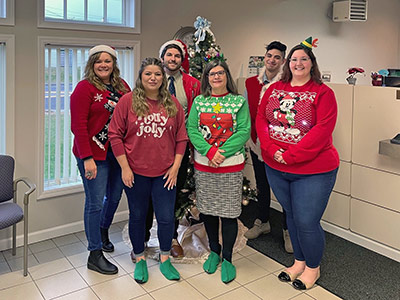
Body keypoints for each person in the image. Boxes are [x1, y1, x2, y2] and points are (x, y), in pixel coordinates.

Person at [256, 37, 339, 290]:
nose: (298, 63)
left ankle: (313, 268)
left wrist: (290, 156)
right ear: (287, 63)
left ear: (312, 63)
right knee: (291, 215)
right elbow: (261, 119)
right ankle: (298, 262)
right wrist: (270, 150)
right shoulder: (274, 88)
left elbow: (323, 130)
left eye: (304, 59)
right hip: (276, 167)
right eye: (294, 59)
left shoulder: (323, 92)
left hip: (313, 170)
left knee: (307, 220)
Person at [108, 57, 187, 284]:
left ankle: (164, 259)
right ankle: (140, 258)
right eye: (148, 74)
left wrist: (175, 167)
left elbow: (181, 138)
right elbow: (115, 135)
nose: (153, 78)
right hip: (136, 173)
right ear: (141, 77)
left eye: (158, 74)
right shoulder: (127, 101)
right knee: (138, 216)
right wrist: (125, 168)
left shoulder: (172, 103)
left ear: (163, 78)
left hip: (165, 174)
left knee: (164, 218)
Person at [187, 60, 250, 283]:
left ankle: (229, 258)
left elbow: (243, 131)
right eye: (212, 74)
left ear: (226, 76)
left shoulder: (238, 101)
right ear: (207, 78)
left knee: (230, 213)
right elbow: (192, 129)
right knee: (209, 211)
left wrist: (221, 152)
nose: (216, 77)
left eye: (220, 72)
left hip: (230, 165)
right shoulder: (199, 101)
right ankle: (214, 251)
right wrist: (209, 151)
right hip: (205, 166)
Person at [71, 44, 130, 275]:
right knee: (94, 202)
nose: (103, 65)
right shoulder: (84, 88)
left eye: (108, 60)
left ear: (114, 63)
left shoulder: (123, 87)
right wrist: (87, 158)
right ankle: (94, 254)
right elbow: (78, 126)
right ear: (92, 64)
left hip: (117, 153)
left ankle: (103, 230)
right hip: (93, 155)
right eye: (99, 61)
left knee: (114, 196)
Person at [244, 41, 293, 253]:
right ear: (264, 57)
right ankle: (262, 221)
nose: (272, 60)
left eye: (277, 57)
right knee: (262, 185)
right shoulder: (250, 83)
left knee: (283, 190)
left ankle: (288, 230)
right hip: (256, 143)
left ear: (283, 61)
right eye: (269, 56)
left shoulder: (287, 84)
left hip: (278, 146)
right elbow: (247, 112)